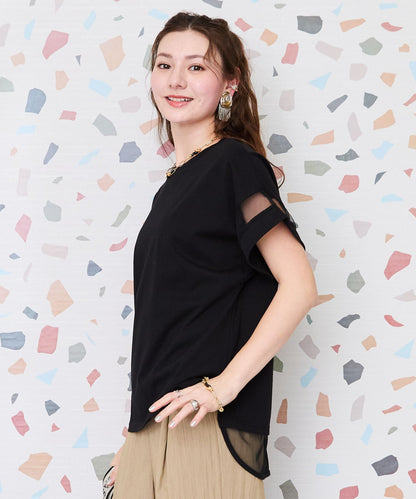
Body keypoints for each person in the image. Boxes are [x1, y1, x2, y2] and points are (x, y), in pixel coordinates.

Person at [108, 11, 317, 499]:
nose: (176, 80)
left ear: (230, 83)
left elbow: (299, 285)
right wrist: (135, 436)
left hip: (206, 427)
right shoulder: (176, 183)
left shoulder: (234, 163)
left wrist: (222, 388)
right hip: (155, 425)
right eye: (164, 65)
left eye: (197, 67)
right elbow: (172, 320)